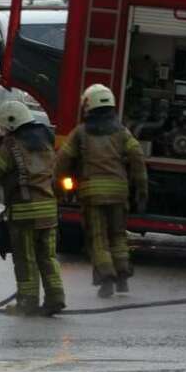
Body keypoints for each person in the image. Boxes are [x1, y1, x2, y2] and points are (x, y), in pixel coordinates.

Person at [54, 84, 148, 298]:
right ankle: (123, 277)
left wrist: (57, 187)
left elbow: (62, 161)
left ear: (88, 105)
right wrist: (141, 188)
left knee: (98, 238)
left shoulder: (80, 133)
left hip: (92, 194)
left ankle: (106, 279)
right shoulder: (122, 132)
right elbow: (137, 158)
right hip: (119, 193)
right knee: (117, 235)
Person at [0, 100, 66, 316]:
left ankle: (27, 303)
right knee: (47, 257)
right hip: (49, 210)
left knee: (25, 259)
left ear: (10, 123)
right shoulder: (45, 141)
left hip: (24, 211)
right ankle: (56, 298)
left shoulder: (11, 145)